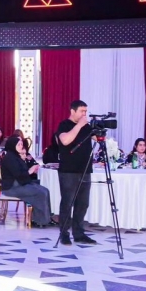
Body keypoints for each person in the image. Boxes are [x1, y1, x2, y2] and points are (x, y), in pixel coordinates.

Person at [55, 100, 96, 246]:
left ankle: (79, 233)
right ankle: (64, 234)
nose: (84, 114)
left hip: (85, 170)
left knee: (82, 204)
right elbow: (65, 140)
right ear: (73, 111)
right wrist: (79, 126)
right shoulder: (64, 125)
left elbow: (97, 139)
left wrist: (97, 129)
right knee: (67, 203)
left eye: (86, 111)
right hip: (68, 171)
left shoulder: (86, 127)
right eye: (81, 111)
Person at [0, 135, 52, 227]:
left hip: (19, 183)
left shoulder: (15, 156)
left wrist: (31, 169)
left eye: (21, 144)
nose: (21, 146)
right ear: (12, 145)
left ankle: (46, 218)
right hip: (12, 187)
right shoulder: (10, 158)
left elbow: (22, 172)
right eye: (18, 145)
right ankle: (39, 221)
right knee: (41, 193)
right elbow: (18, 174)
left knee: (45, 190)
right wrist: (30, 171)